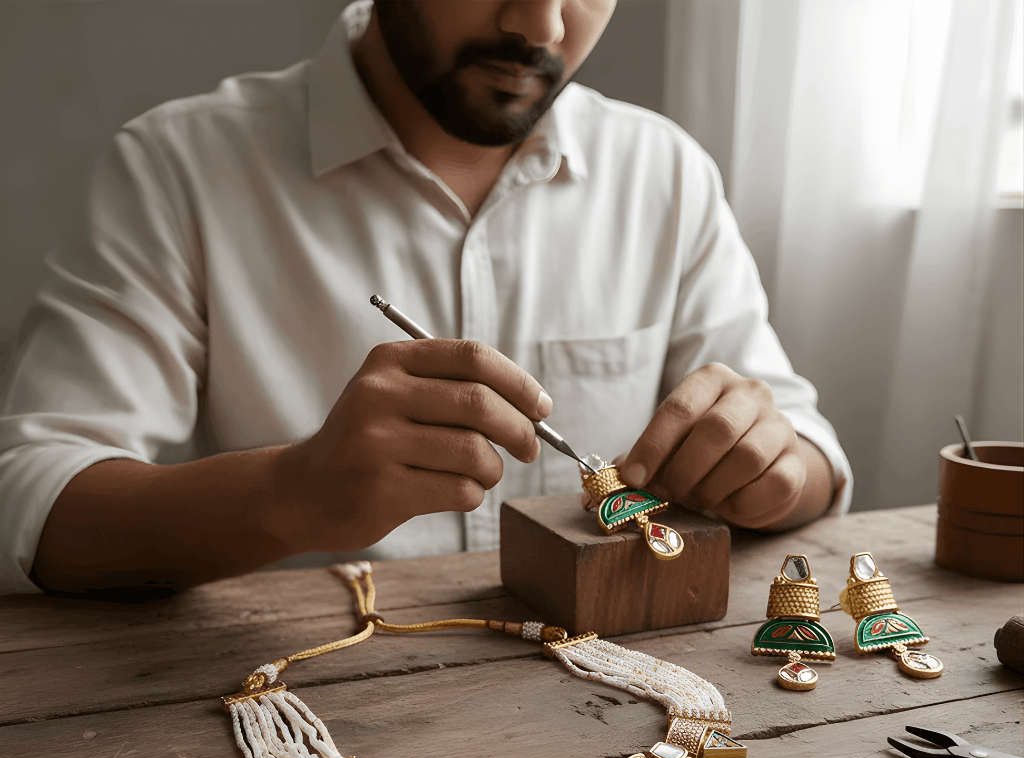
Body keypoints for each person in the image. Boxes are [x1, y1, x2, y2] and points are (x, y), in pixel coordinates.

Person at [0, 0, 851, 595]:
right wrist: (294, 495)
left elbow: (800, 443)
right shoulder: (179, 168)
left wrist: (777, 473)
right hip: (302, 721)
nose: (541, 25)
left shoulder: (664, 172)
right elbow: (33, 503)